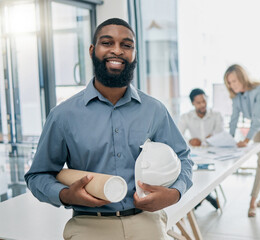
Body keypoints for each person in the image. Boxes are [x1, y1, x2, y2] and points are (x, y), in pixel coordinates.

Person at [24, 18, 193, 240]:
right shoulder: (63, 115)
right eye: (107, 42)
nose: (117, 50)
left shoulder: (154, 110)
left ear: (134, 54)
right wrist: (66, 195)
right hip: (88, 225)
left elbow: (184, 159)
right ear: (92, 50)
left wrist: (173, 194)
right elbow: (37, 175)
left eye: (126, 45)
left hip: (146, 222)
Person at [223, 64, 260, 218]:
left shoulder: (259, 89)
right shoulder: (236, 97)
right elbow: (234, 119)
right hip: (257, 126)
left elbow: (258, 118)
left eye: (234, 81)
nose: (232, 85)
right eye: (229, 82)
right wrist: (229, 139)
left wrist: (246, 140)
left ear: (242, 78)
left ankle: (252, 201)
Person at [178, 88, 223, 210]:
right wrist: (189, 140)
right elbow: (178, 135)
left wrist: (209, 139)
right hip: (195, 155)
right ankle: (206, 196)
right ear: (193, 103)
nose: (202, 105)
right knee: (192, 171)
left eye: (204, 101)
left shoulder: (216, 115)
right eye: (198, 102)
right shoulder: (186, 117)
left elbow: (220, 134)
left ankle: (200, 197)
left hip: (213, 154)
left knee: (208, 173)